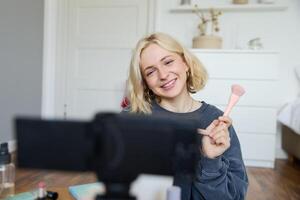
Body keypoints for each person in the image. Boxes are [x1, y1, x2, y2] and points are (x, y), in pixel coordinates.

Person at [123, 32, 248, 200]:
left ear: (186, 63)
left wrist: (210, 160)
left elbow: (234, 196)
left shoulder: (217, 122)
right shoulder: (134, 118)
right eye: (151, 72)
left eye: (168, 62)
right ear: (145, 82)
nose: (163, 75)